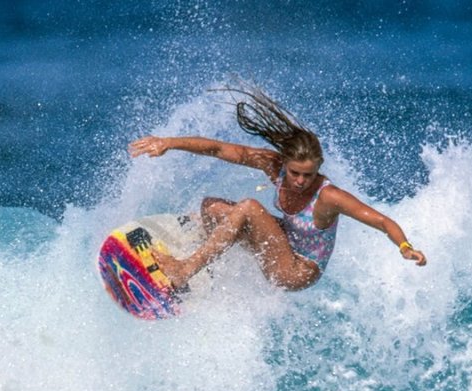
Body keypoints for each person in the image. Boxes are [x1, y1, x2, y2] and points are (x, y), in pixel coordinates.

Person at [128, 86, 426, 291]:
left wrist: (405, 247)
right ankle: (208, 266)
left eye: (308, 175)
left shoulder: (328, 197)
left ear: (319, 167)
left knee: (248, 207)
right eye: (295, 173)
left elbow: (382, 221)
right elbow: (218, 149)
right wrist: (169, 143)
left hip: (297, 271)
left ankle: (186, 269)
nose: (300, 181)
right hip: (280, 245)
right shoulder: (273, 165)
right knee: (212, 207)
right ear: (284, 162)